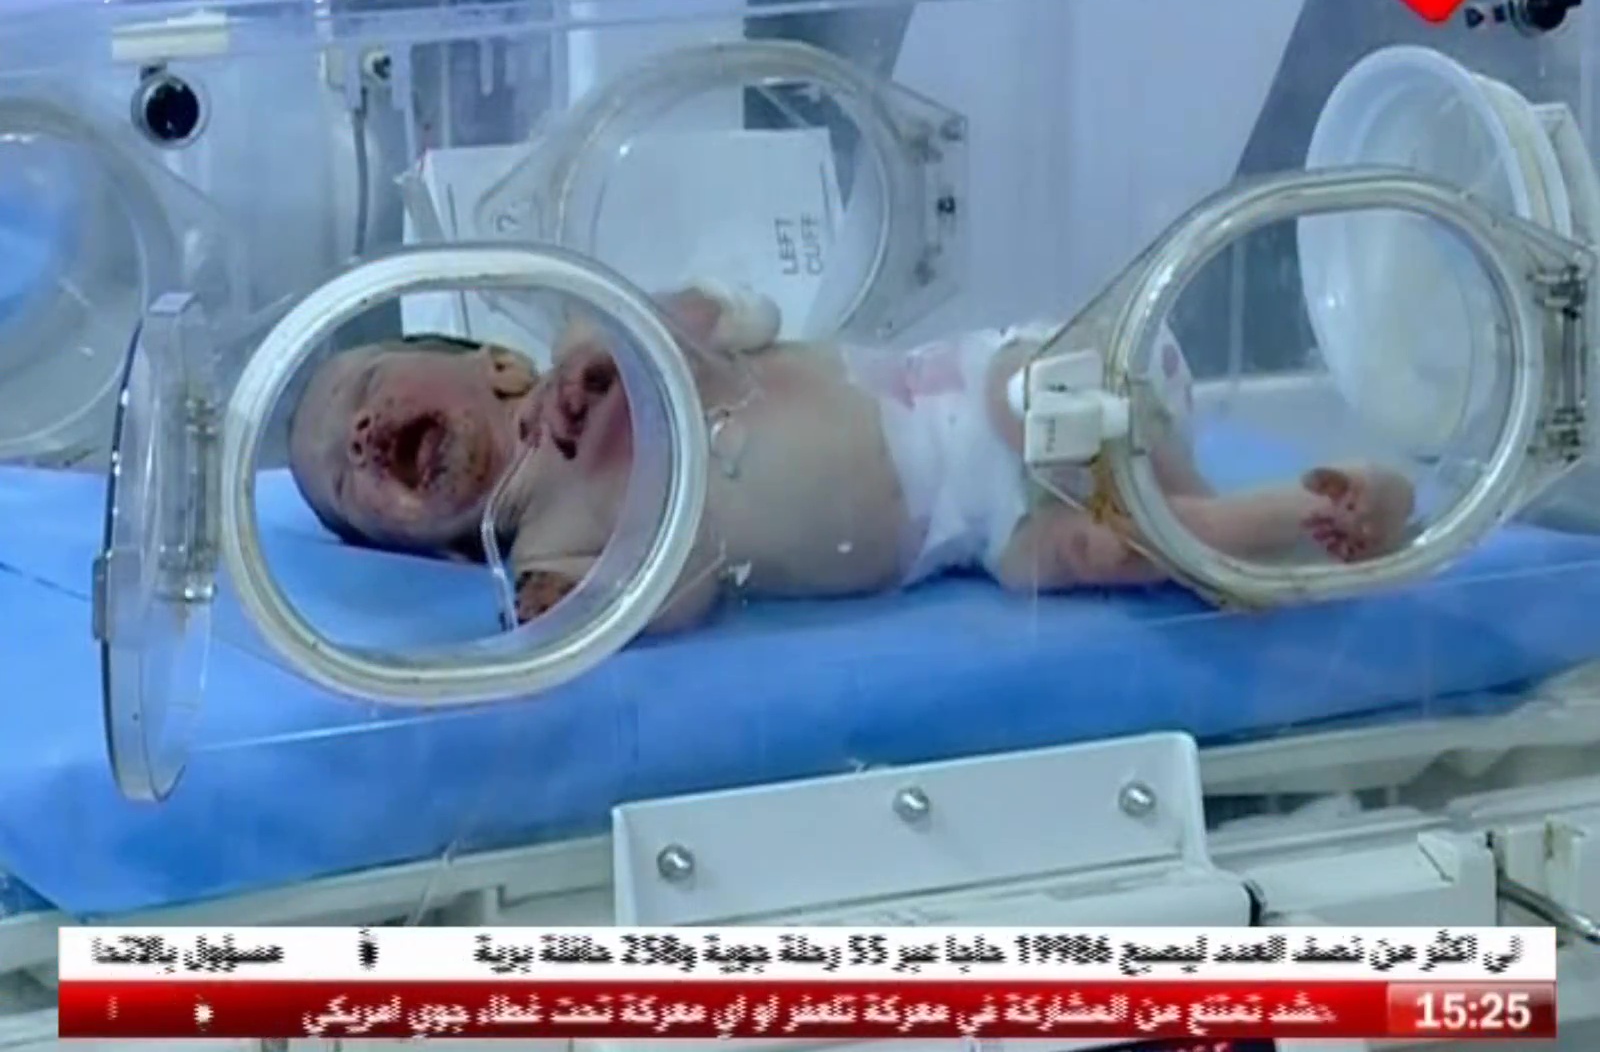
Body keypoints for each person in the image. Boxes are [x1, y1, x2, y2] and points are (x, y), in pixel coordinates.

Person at [287, 283, 1415, 630]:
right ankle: (1295, 519)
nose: (360, 437)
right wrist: (574, 608)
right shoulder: (555, 548)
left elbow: (735, 313)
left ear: (497, 364)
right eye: (345, 481)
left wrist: (611, 351)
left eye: (366, 394)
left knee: (1047, 407)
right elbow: (683, 593)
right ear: (424, 548)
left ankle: (1226, 515)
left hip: (958, 397)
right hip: (959, 537)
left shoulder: (602, 340)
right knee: (1086, 555)